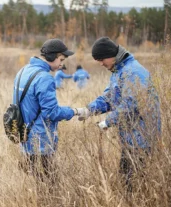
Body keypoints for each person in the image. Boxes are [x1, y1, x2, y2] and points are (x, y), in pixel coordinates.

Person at [77, 37, 161, 191]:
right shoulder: (118, 71)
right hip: (131, 137)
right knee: (126, 178)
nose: (101, 64)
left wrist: (107, 122)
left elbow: (131, 103)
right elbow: (109, 98)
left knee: (134, 182)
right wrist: (89, 110)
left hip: (142, 138)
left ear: (111, 54)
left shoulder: (133, 72)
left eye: (102, 59)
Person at [13, 38, 84, 178]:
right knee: (50, 185)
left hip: (24, 135)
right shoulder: (44, 78)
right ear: (52, 56)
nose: (61, 64)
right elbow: (52, 112)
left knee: (30, 180)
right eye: (61, 59)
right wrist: (74, 111)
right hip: (41, 140)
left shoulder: (23, 71)